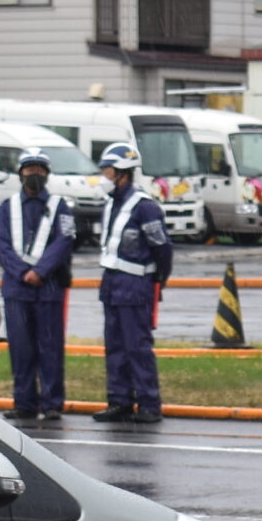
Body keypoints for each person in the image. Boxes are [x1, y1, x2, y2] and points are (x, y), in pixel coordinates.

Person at [92, 140, 175, 425]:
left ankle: (149, 403)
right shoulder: (112, 204)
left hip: (135, 286)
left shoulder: (145, 207)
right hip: (112, 286)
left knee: (137, 347)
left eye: (109, 172)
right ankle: (120, 401)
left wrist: (158, 280)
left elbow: (162, 248)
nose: (104, 177)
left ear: (124, 173)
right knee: (114, 347)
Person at [0, 147, 78, 424]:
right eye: (29, 169)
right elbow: (1, 245)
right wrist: (23, 273)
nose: (35, 174)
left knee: (50, 347)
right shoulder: (7, 208)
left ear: (47, 173)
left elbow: (64, 241)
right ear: (20, 173)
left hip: (49, 287)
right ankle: (24, 402)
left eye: (40, 169)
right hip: (17, 289)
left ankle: (52, 403)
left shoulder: (60, 207)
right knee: (21, 348)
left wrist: (40, 271)